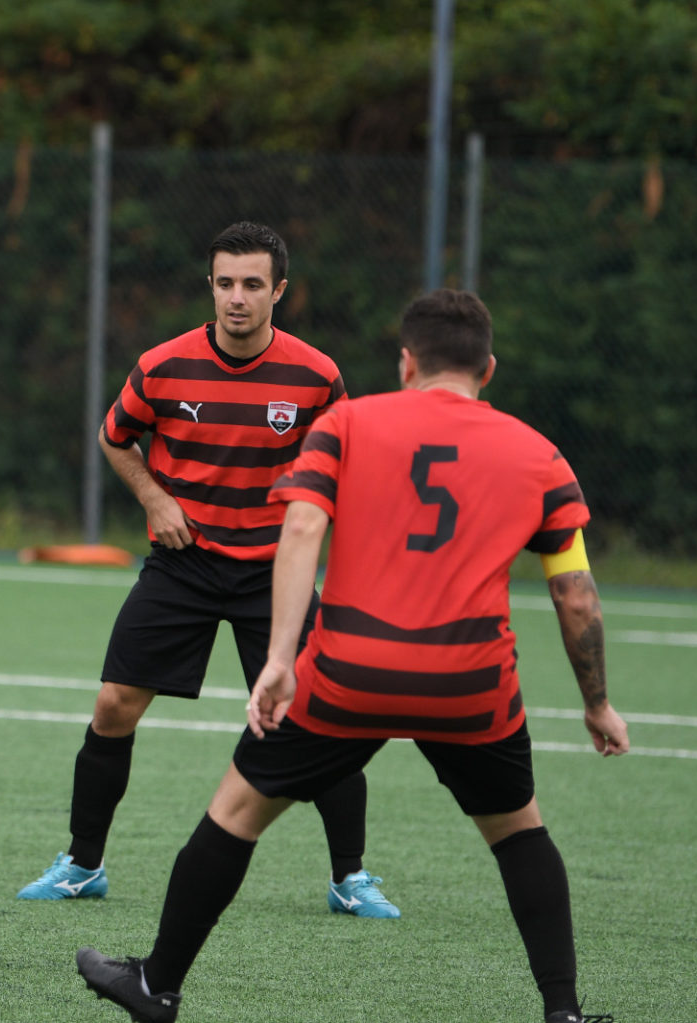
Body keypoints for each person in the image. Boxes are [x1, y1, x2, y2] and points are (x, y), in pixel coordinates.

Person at [75, 288, 628, 1023]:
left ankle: (156, 985)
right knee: (519, 832)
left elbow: (302, 531)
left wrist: (280, 658)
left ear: (406, 364)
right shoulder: (540, 455)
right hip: (470, 683)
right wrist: (597, 702)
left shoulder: (349, 423)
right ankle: (562, 1012)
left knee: (236, 812)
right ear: (488, 369)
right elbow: (577, 596)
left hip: (349, 673)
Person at [18, 222, 396, 918]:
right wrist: (154, 498)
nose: (237, 297)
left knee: (322, 716)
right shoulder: (162, 365)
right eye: (225, 283)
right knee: (113, 705)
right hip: (182, 566)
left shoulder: (317, 376)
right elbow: (115, 436)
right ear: (211, 287)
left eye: (252, 284)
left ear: (279, 291)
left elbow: (345, 467)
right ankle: (82, 864)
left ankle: (352, 877)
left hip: (273, 574)